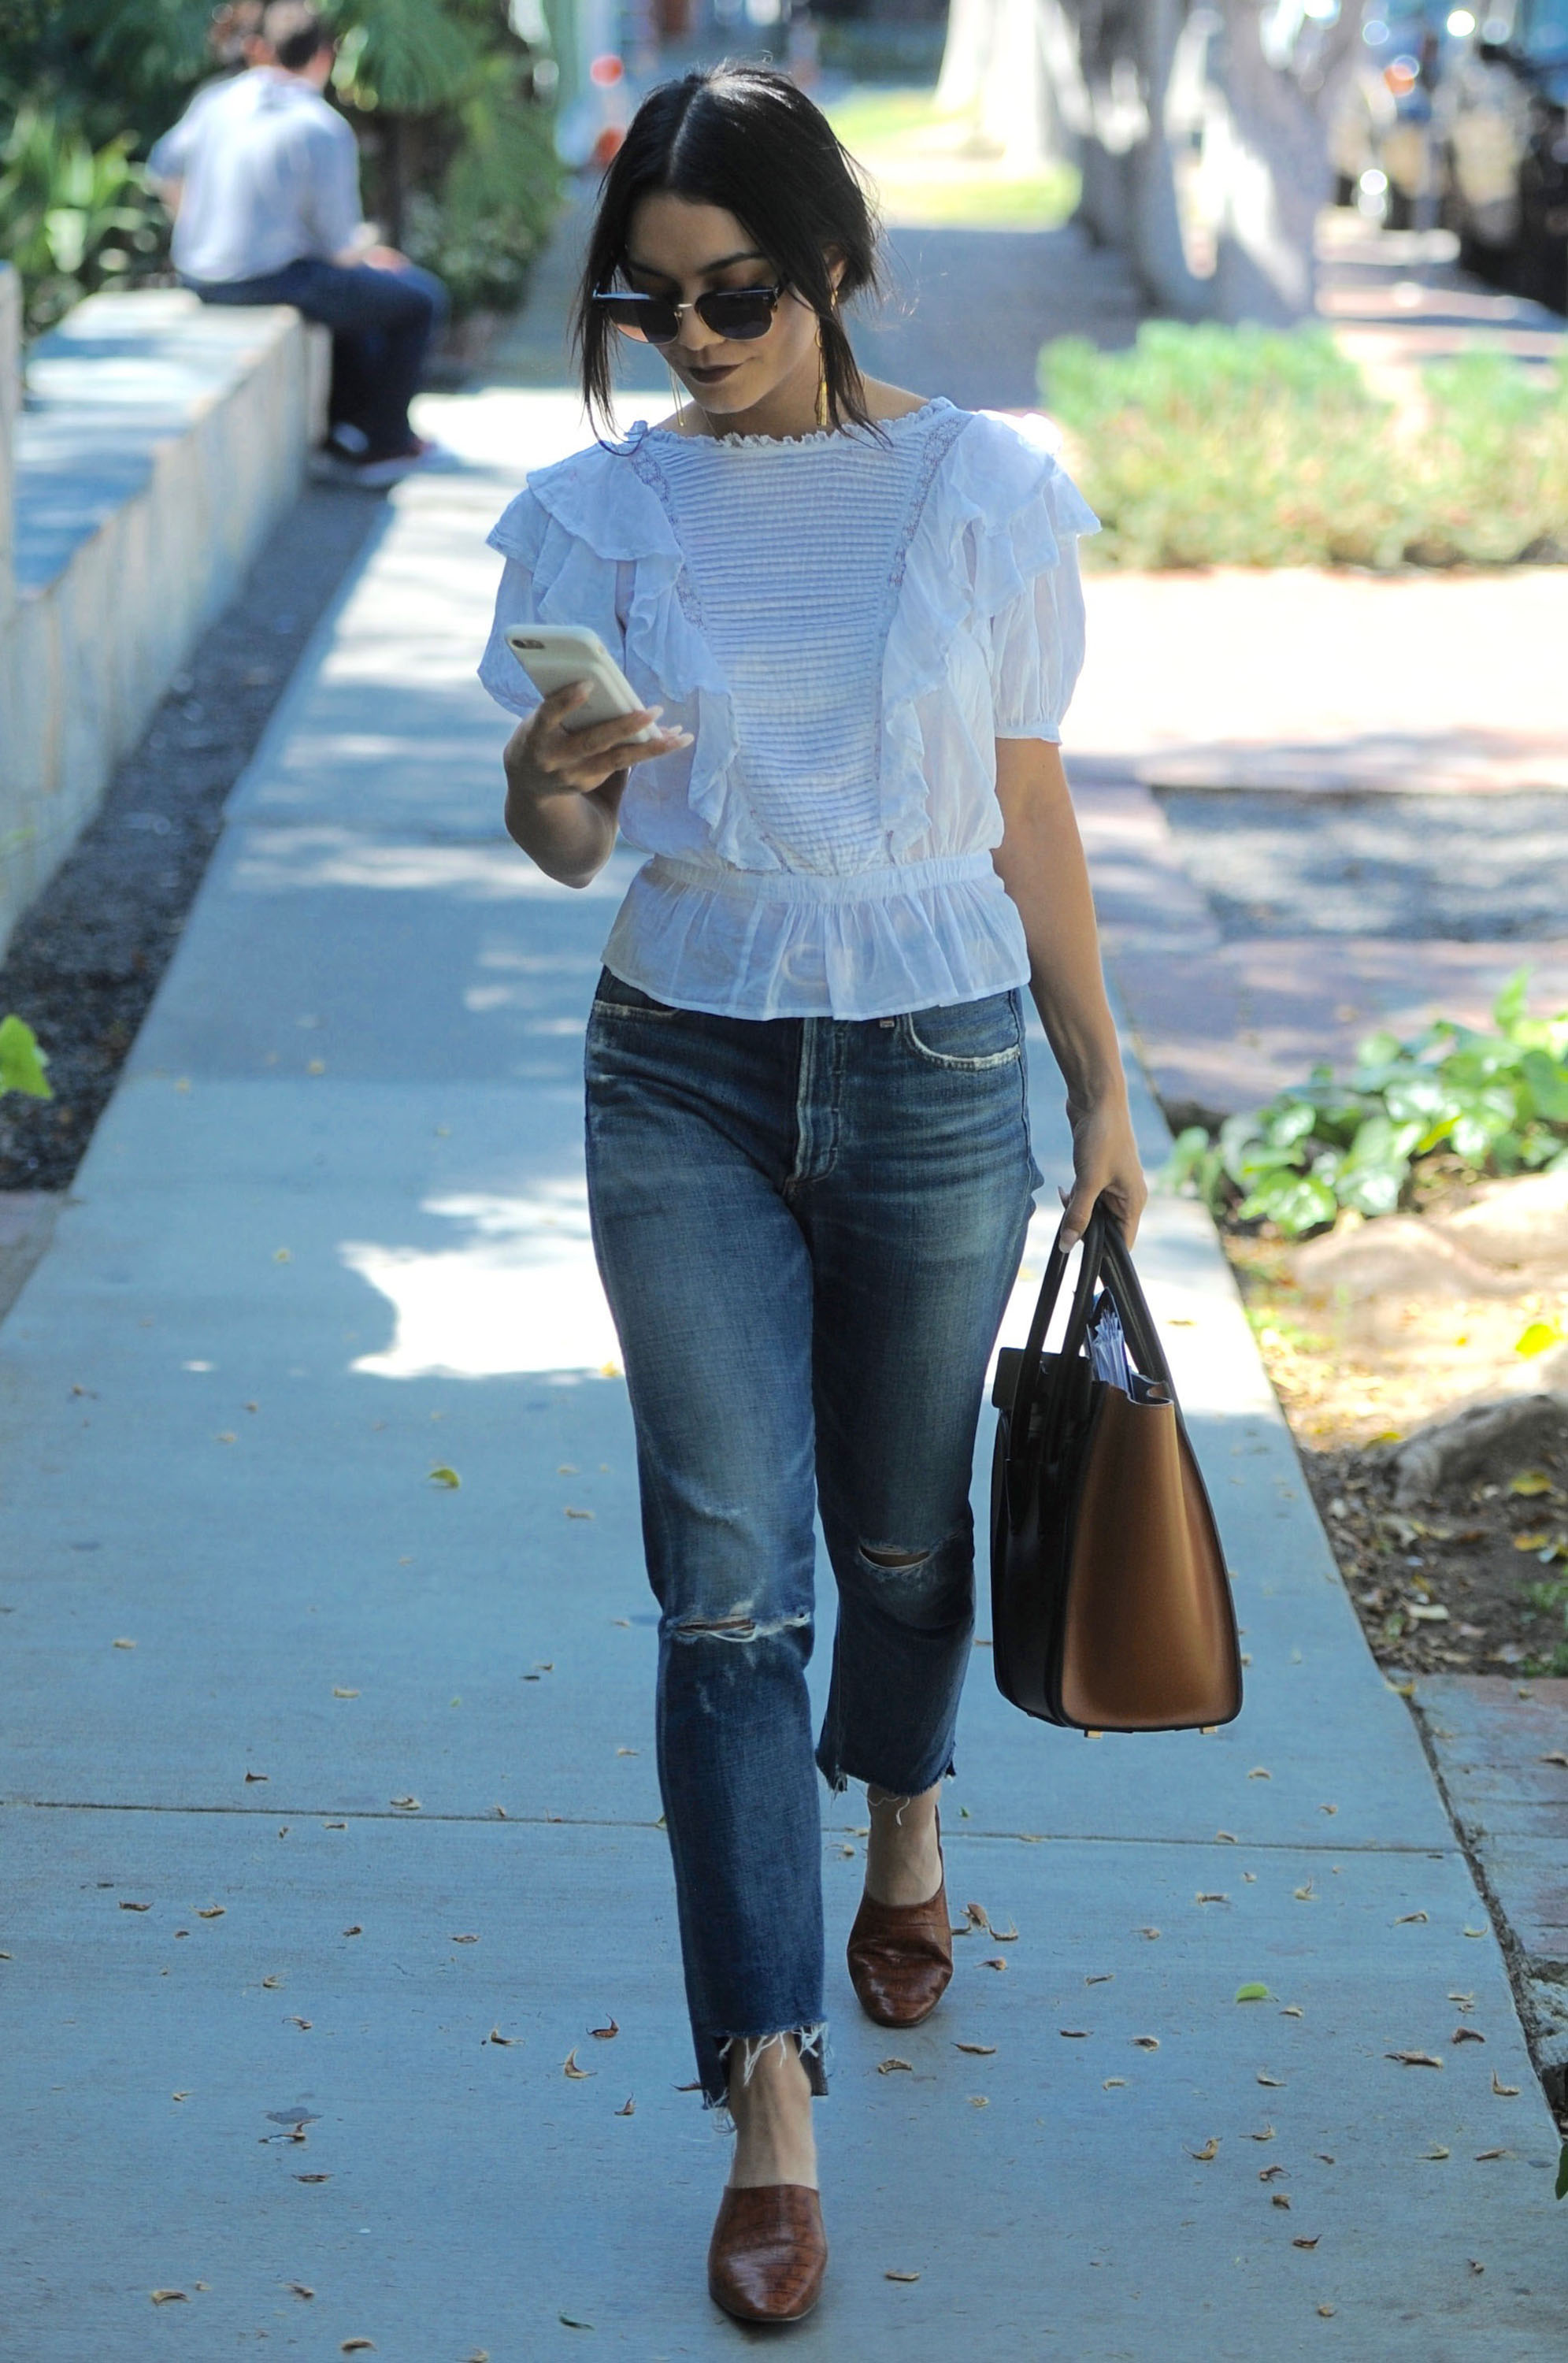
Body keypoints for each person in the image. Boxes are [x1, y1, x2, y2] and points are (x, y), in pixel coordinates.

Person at [478, 64, 1146, 2328]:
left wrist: (1101, 1086)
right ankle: (766, 2092)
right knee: (723, 1593)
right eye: (646, 302)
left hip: (937, 1056)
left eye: (733, 294)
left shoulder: (980, 492)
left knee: (899, 1534)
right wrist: (547, 782)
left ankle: (906, 1805)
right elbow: (565, 846)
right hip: (680, 1060)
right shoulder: (592, 515)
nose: (687, 338)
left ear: (833, 265)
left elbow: (1025, 808)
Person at [147, 2, 446, 484]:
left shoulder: (217, 99)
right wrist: (373, 258)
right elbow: (340, 249)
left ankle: (347, 430)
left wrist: (198, 228)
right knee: (420, 300)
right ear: (325, 57)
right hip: (266, 278)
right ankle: (387, 445)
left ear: (262, 50)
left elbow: (164, 172)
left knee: (352, 294)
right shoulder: (320, 124)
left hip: (200, 275)